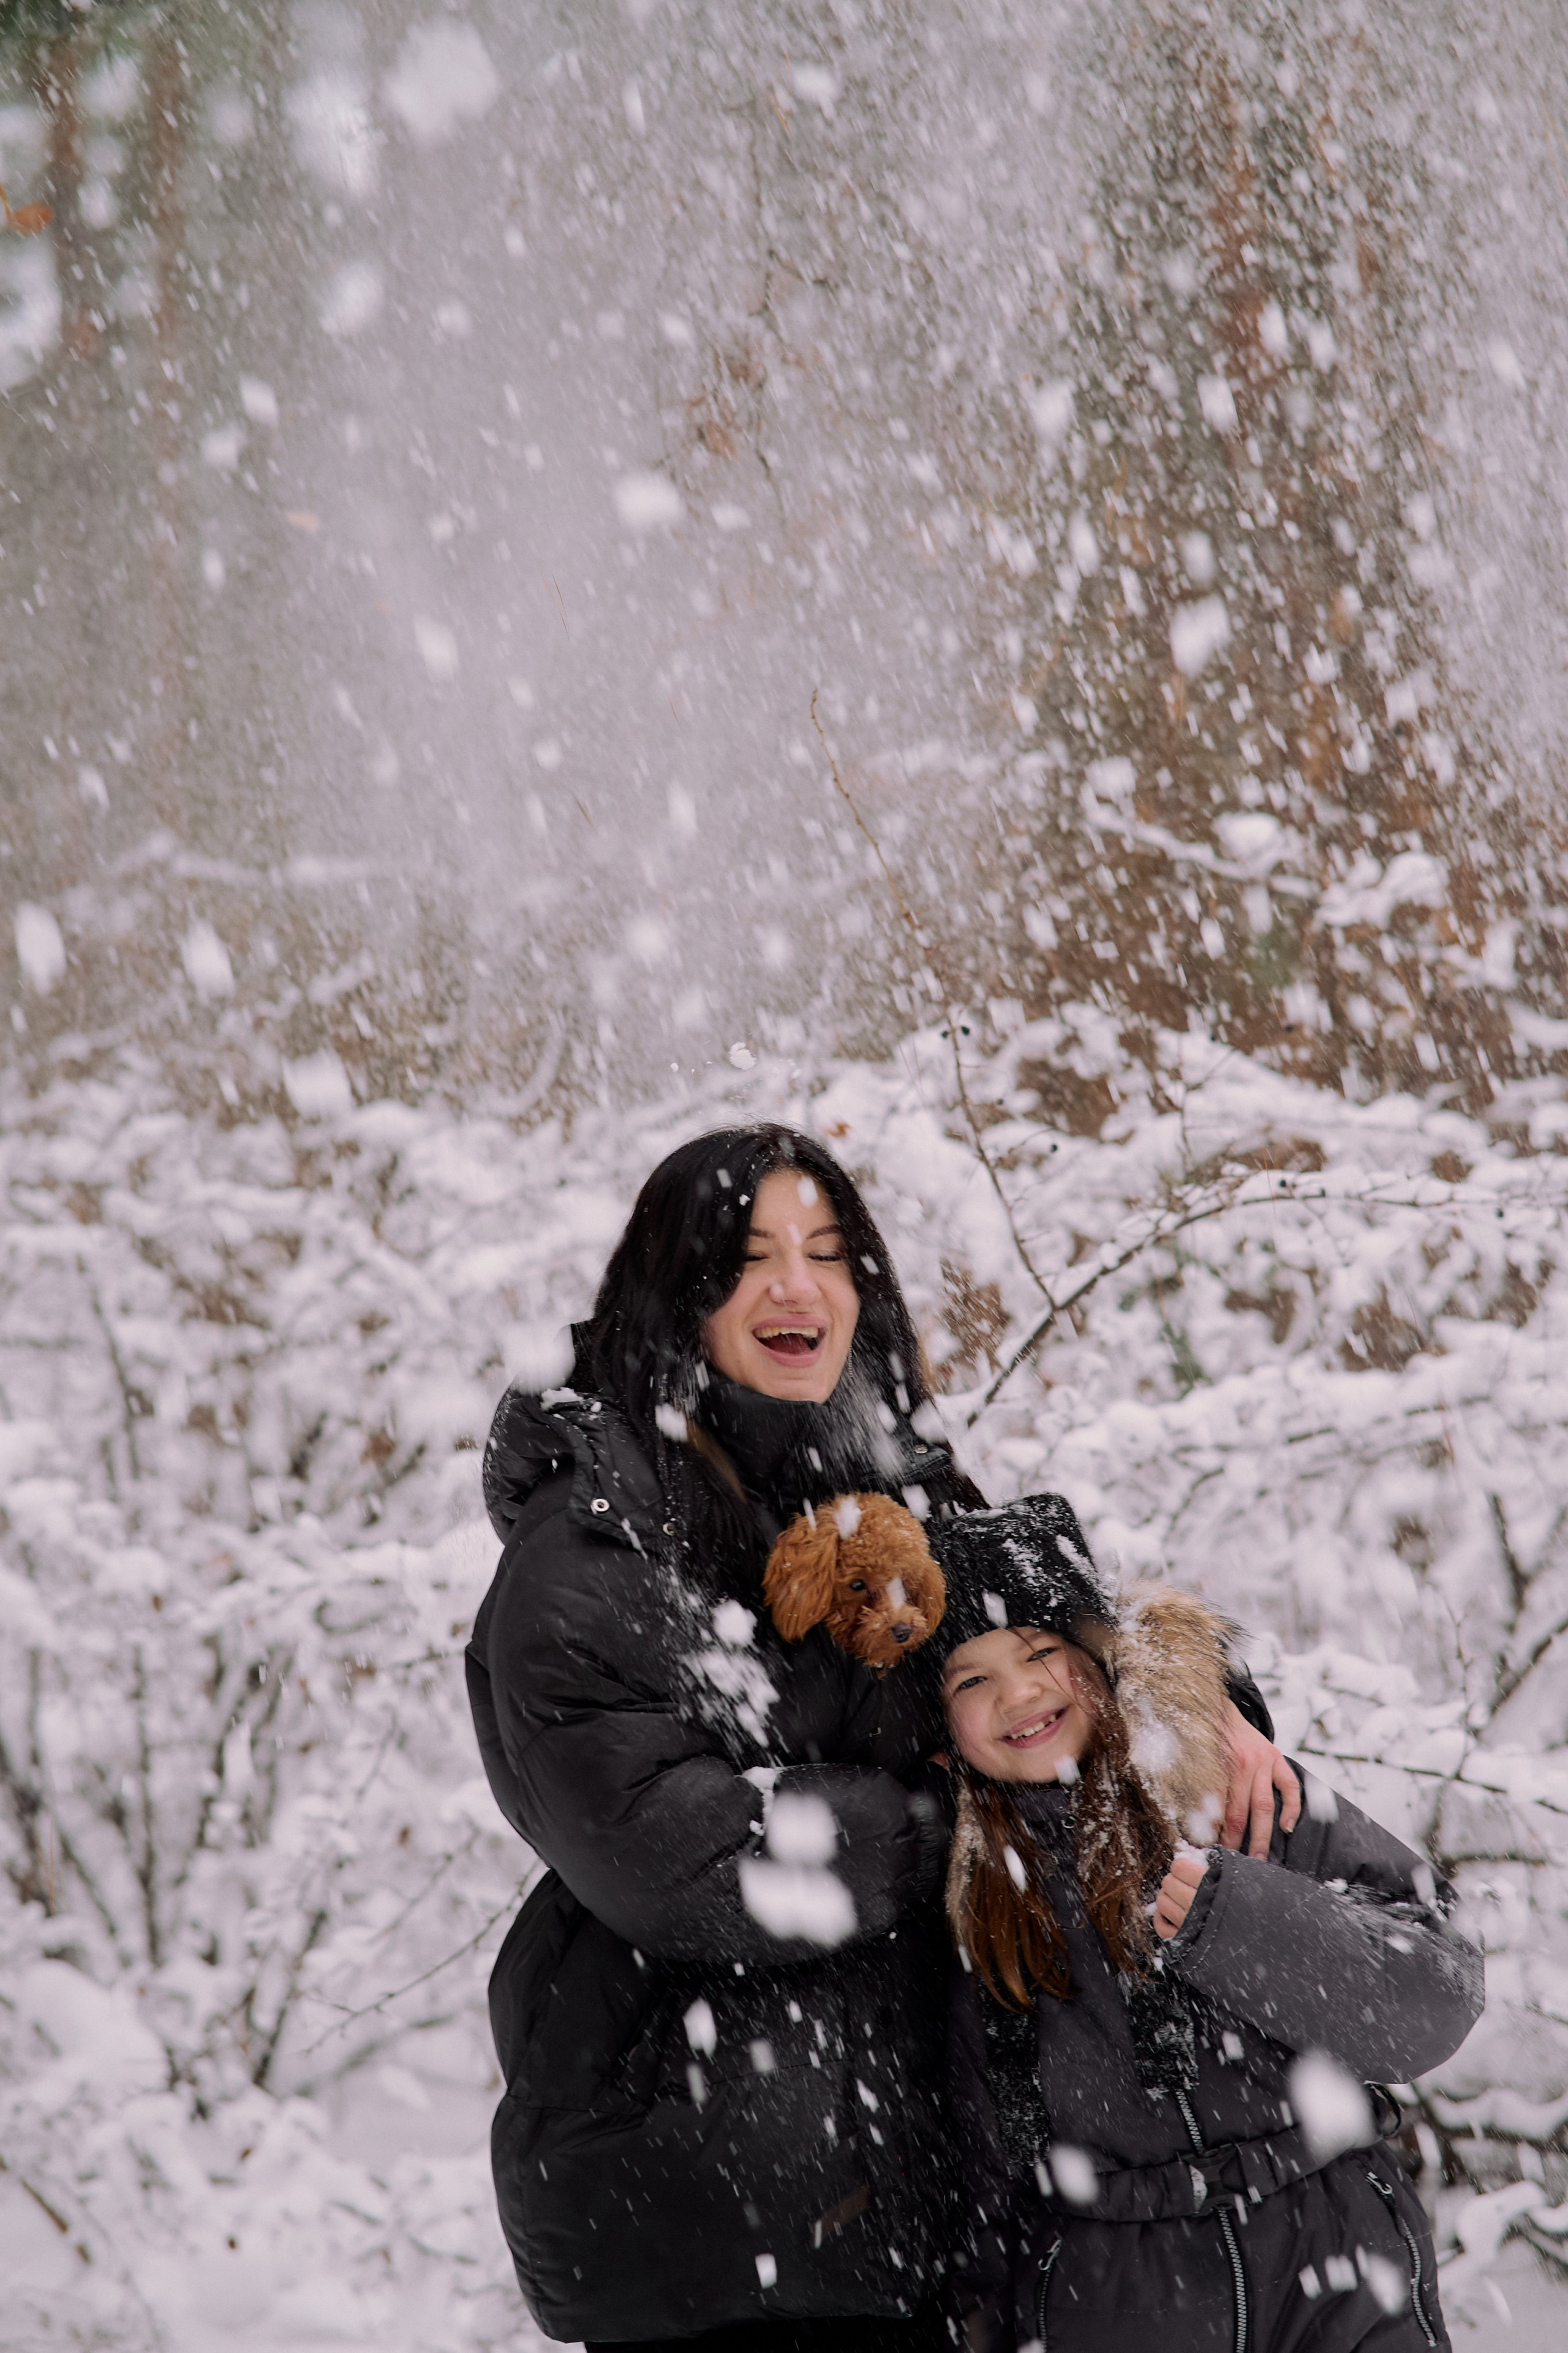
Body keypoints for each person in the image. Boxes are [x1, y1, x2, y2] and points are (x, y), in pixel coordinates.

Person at [466, 1124, 1298, 2351]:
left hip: (944, 2211)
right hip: (719, 2221)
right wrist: (956, 1813)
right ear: (673, 1291)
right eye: (748, 1258)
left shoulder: (899, 1486)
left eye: (828, 1252)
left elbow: (1046, 1662)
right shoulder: (592, 1542)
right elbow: (678, 1856)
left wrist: (1193, 1700)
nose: (796, 1286)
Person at [927, 1496, 1485, 2353]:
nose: (1021, 1690)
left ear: (1101, 1657)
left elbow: (1435, 1997)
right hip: (1114, 2295)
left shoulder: (1240, 1796)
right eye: (972, 1677)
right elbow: (982, 2164)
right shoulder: (979, 1895)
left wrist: (1237, 1917)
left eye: (1042, 1651)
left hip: (1335, 2258)